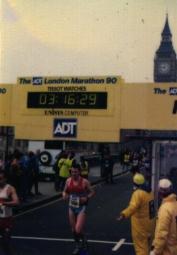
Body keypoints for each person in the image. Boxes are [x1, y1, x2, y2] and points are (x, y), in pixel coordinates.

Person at [117, 173, 155, 255]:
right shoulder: (150, 191)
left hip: (140, 226)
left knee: (141, 248)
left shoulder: (138, 194)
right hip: (150, 224)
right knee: (148, 247)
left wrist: (123, 214)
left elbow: (132, 207)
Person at [62, 164, 95, 255]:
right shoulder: (68, 181)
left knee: (78, 229)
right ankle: (78, 245)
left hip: (81, 207)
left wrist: (87, 198)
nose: (74, 174)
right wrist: (64, 195)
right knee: (73, 230)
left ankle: (84, 241)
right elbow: (64, 191)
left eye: (76, 172)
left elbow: (92, 192)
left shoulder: (85, 182)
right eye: (72, 172)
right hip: (71, 207)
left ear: (79, 172)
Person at [150, 178, 177, 255]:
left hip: (167, 251)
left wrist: (155, 251)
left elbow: (162, 233)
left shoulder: (165, 209)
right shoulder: (175, 204)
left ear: (160, 192)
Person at [0, 170, 19, 254]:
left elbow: (16, 202)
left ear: (5, 179)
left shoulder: (10, 188)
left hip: (6, 220)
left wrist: (4, 203)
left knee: (5, 243)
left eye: (0, 178)